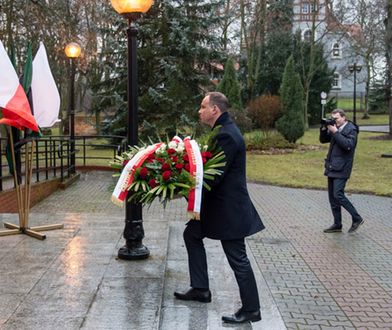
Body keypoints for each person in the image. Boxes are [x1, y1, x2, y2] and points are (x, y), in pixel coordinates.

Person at [174, 92, 265, 324]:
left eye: (203, 106)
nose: (199, 111)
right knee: (191, 234)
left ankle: (252, 309)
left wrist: (183, 185)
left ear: (215, 109)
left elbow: (213, 177)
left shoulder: (227, 136)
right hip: (219, 207)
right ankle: (201, 289)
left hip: (229, 210)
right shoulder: (222, 131)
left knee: (237, 257)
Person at [320, 108, 364, 233]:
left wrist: (335, 132)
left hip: (343, 167)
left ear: (344, 117)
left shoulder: (351, 129)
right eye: (333, 118)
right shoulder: (335, 128)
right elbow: (323, 140)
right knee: (332, 198)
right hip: (332, 166)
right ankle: (337, 224)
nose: (334, 121)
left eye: (336, 118)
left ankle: (357, 217)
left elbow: (348, 146)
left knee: (338, 194)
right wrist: (324, 128)